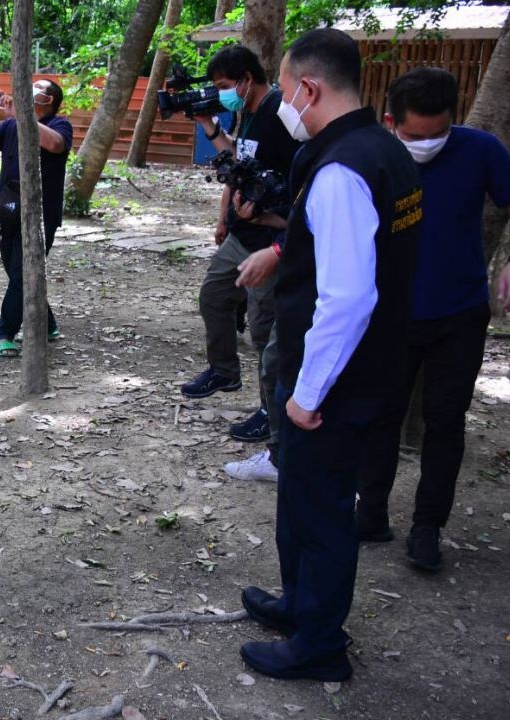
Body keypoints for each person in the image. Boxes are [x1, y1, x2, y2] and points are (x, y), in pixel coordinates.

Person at [239, 28, 422, 682]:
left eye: (286, 89)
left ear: (308, 88)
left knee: (320, 511)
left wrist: (306, 394)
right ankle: (299, 604)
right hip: (363, 365)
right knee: (302, 497)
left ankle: (319, 644)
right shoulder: (385, 149)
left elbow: (346, 296)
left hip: (337, 378)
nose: (283, 102)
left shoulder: (343, 167)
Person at [354, 67, 510, 571]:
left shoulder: (480, 149)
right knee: (380, 418)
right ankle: (369, 514)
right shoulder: (371, 153)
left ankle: (427, 528)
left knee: (445, 422)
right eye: (415, 135)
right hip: (389, 314)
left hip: (459, 313)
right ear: (391, 120)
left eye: (438, 133)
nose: (427, 143)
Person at [184, 45, 300, 485]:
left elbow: (291, 182)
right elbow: (236, 163)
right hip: (241, 232)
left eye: (224, 87)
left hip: (271, 237)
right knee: (214, 295)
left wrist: (271, 216)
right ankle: (224, 372)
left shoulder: (281, 117)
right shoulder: (247, 112)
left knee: (264, 330)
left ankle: (271, 416)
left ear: (247, 77)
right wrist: (210, 126)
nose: (222, 94)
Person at [0, 79, 73, 358]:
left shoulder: (60, 125)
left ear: (48, 99)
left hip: (41, 215)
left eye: (38, 87)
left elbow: (54, 144)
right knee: (19, 273)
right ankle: (48, 323)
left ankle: (5, 333)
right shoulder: (11, 126)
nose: (29, 87)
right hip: (7, 210)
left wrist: (20, 114)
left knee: (23, 272)